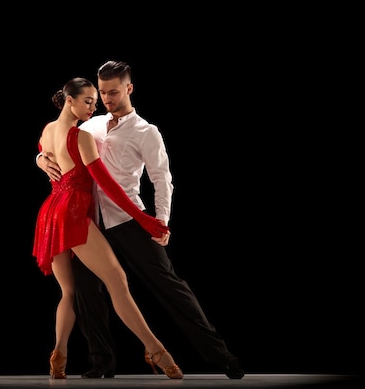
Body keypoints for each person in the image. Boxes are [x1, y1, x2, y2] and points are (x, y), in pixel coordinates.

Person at [36, 61, 245, 379]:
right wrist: (39, 159)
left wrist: (159, 220)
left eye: (112, 92)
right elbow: (55, 143)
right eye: (100, 93)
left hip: (126, 219)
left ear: (129, 88)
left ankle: (221, 356)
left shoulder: (146, 131)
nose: (105, 99)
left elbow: (163, 179)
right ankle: (101, 363)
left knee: (170, 286)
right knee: (86, 291)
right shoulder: (88, 126)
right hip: (89, 218)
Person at [32, 77, 183, 380]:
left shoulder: (47, 131)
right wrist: (144, 219)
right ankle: (156, 350)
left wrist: (38, 158)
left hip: (51, 212)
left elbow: (45, 155)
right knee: (117, 280)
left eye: (95, 101)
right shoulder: (80, 137)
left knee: (69, 292)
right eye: (87, 100)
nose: (94, 106)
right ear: (69, 100)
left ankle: (58, 355)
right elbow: (109, 186)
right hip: (72, 212)